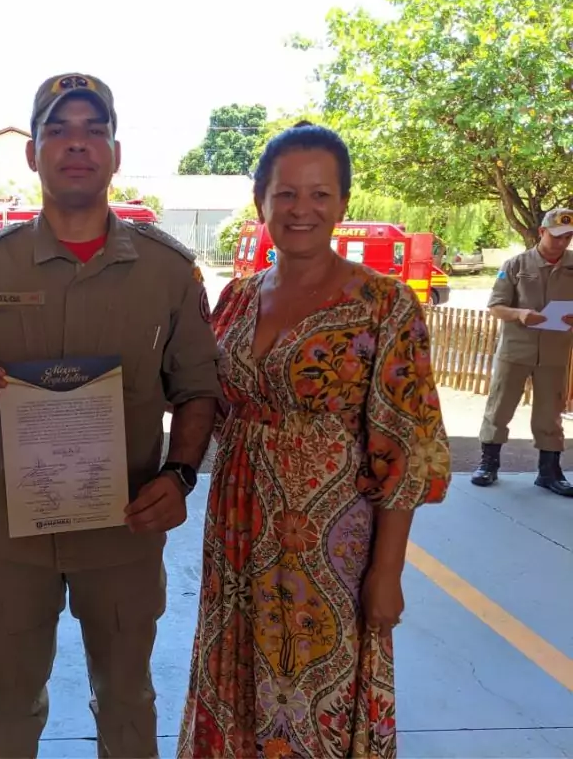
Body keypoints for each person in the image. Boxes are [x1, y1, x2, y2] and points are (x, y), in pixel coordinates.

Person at [0, 72, 222, 757]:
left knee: (126, 703)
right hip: (14, 539)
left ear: (115, 153)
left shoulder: (167, 272)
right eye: (58, 130)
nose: (76, 144)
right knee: (11, 703)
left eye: (94, 130)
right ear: (33, 153)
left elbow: (198, 390)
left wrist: (179, 477)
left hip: (124, 532)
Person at [177, 122, 451, 758]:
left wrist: (387, 571)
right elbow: (203, 399)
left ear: (342, 205)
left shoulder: (383, 304)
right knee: (239, 667)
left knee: (314, 682)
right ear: (261, 203)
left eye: (320, 194)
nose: (302, 209)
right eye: (286, 194)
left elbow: (406, 448)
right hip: (238, 528)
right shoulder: (237, 298)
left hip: (331, 542)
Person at [471, 207, 573, 496]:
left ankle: (549, 471)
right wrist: (519, 314)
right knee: (500, 406)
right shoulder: (516, 265)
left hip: (554, 352)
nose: (562, 243)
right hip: (515, 350)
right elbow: (495, 306)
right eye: (556, 236)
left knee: (550, 412)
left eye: (567, 237)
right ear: (541, 232)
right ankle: (488, 464)